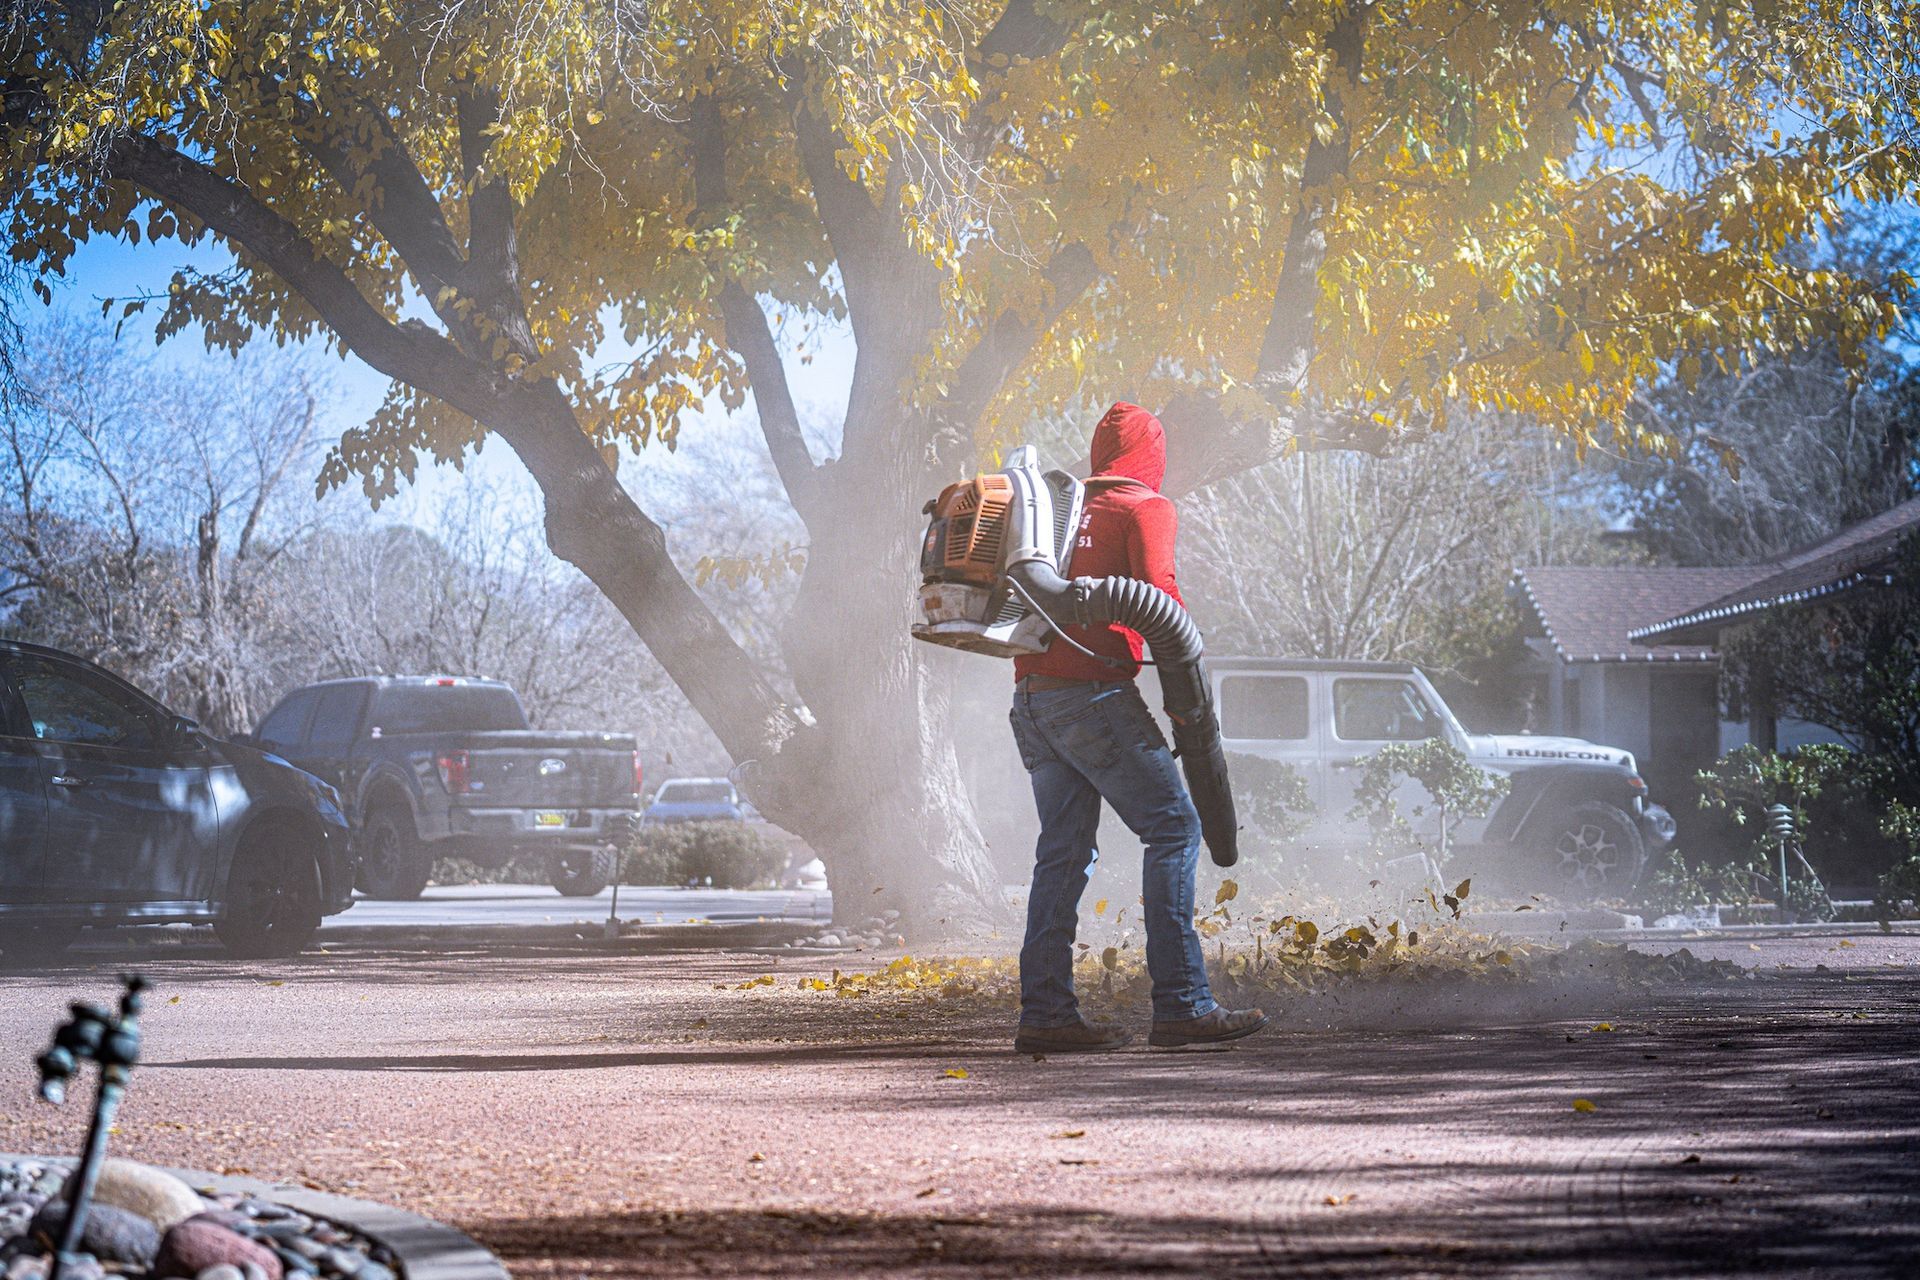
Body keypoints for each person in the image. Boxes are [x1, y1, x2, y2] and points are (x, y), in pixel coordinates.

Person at [1007, 402, 1268, 1054]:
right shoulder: (1144, 506)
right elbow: (1160, 594)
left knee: (1063, 851)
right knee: (1176, 828)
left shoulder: (1055, 509)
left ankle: (1045, 1014)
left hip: (1032, 700)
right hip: (1092, 699)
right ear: (1152, 455)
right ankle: (1183, 1004)